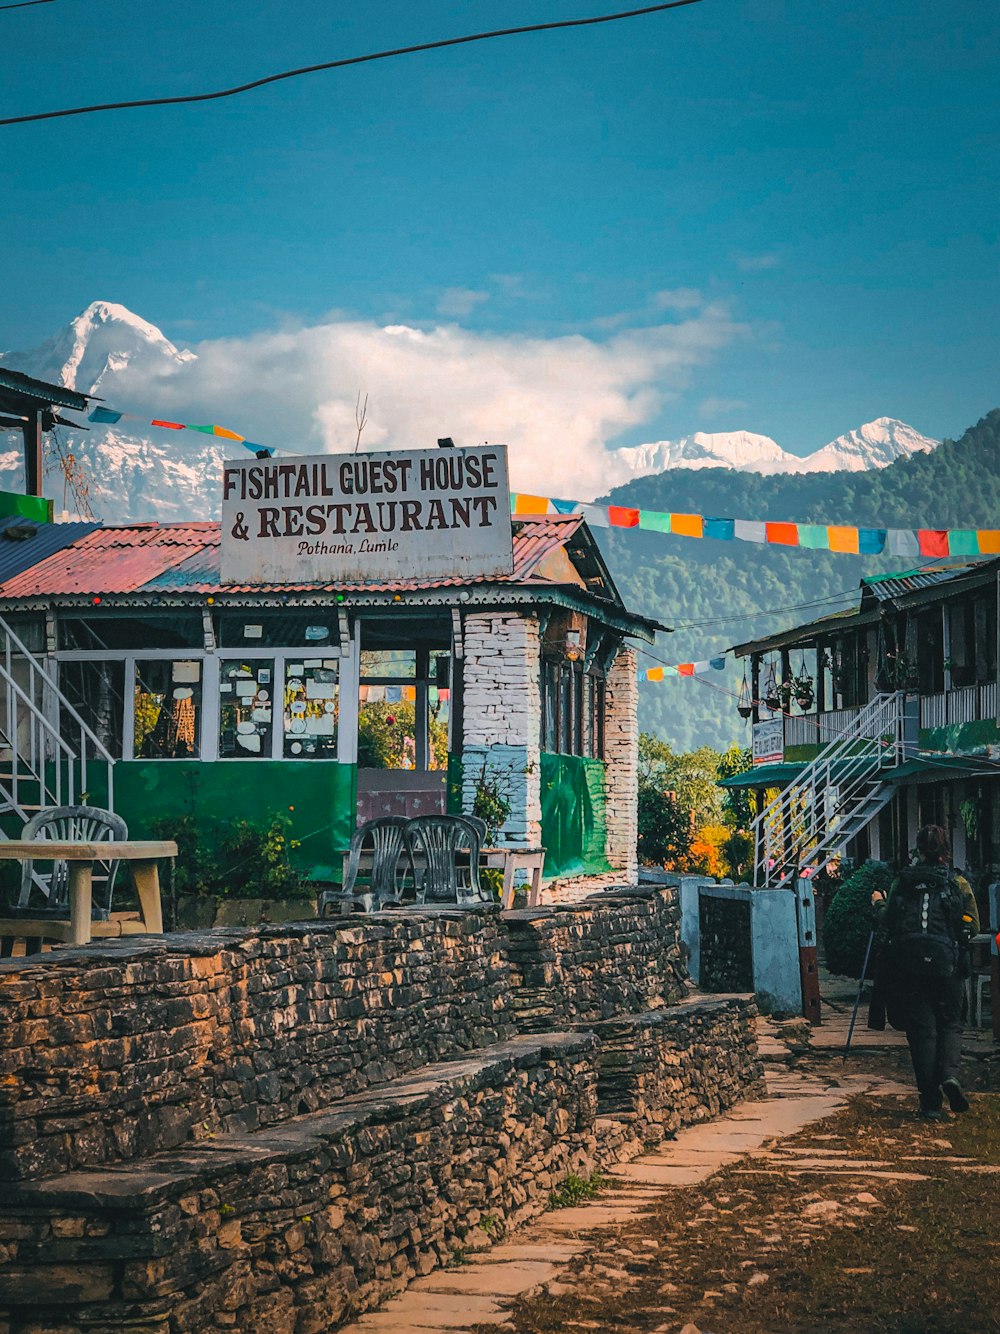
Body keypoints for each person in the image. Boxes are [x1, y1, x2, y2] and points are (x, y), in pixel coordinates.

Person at [871, 824, 980, 1120]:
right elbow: (973, 926)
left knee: (922, 1032)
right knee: (951, 1024)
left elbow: (888, 922)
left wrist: (878, 903)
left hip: (908, 967)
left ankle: (930, 1104)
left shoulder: (902, 882)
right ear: (945, 850)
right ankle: (949, 1075)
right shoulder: (957, 882)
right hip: (947, 967)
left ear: (918, 850)